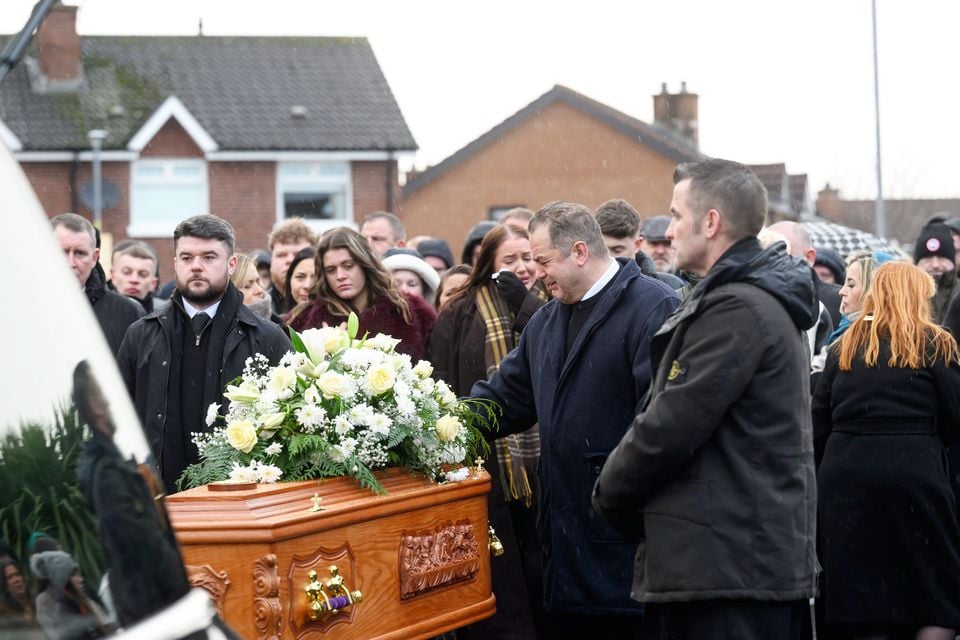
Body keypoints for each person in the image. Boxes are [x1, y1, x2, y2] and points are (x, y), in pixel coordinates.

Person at [592, 159, 819, 640]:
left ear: (711, 222)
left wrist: (608, 494)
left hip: (729, 571)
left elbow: (670, 425)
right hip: (728, 563)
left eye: (677, 215)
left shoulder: (738, 308)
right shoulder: (737, 300)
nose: (668, 231)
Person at [470, 201, 679, 638]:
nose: (535, 273)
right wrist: (438, 419)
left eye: (543, 260)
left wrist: (611, 488)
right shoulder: (545, 322)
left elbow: (662, 423)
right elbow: (505, 398)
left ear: (579, 252)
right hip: (564, 546)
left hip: (625, 546)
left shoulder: (652, 308)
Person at [812, 262, 960, 640]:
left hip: (847, 480)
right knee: (935, 586)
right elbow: (954, 415)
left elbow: (819, 420)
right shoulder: (937, 344)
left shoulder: (843, 348)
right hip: (916, 474)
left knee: (862, 592)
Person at [429, 222, 550, 639]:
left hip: (541, 465)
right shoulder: (461, 310)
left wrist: (528, 304)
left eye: (528, 257)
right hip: (490, 463)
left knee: (542, 570)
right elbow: (443, 383)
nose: (522, 267)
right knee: (503, 578)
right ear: (489, 264)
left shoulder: (552, 302)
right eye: (509, 260)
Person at [118, 214, 291, 492]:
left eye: (209, 257)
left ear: (231, 264)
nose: (196, 266)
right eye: (186, 258)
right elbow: (120, 421)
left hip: (241, 501)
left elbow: (289, 430)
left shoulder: (268, 337)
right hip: (160, 502)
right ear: (175, 263)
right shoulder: (141, 335)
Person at [288, 227, 437, 361]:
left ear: (364, 264)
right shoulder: (304, 319)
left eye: (348, 266)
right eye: (331, 270)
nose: (340, 275)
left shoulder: (411, 311)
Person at [51, 213, 144, 356]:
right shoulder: (17, 307)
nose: (70, 263)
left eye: (80, 253)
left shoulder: (127, 313)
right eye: (62, 252)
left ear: (94, 257)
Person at [595, 198, 686, 290]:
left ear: (637, 245)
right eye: (603, 250)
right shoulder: (584, 288)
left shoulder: (671, 289)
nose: (660, 251)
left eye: (618, 250)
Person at [769, 220, 842, 327]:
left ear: (809, 257)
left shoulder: (840, 302)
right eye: (764, 254)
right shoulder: (754, 297)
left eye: (782, 255)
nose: (770, 263)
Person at [31, 550, 112, 640]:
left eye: (78, 574)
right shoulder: (65, 615)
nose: (81, 579)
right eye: (73, 575)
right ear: (62, 580)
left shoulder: (83, 602)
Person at [267, 218, 317, 313]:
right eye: (281, 255)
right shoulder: (256, 306)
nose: (290, 260)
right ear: (271, 261)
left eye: (299, 254)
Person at [914, 223, 958, 324]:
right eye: (928, 258)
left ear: (953, 261)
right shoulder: (904, 297)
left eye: (941, 257)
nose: (935, 265)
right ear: (917, 263)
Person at [109, 240, 166, 313]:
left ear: (153, 283)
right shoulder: (94, 313)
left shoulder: (166, 315)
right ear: (113, 276)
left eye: (143, 274)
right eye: (127, 272)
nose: (134, 280)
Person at [282, 247, 317, 313]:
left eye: (315, 279)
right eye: (300, 277)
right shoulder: (277, 322)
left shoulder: (339, 321)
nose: (307, 285)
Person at [0, 558, 33, 622]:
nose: (16, 580)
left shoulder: (36, 601)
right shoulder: (4, 610)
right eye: (10, 577)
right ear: (6, 587)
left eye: (17, 574)